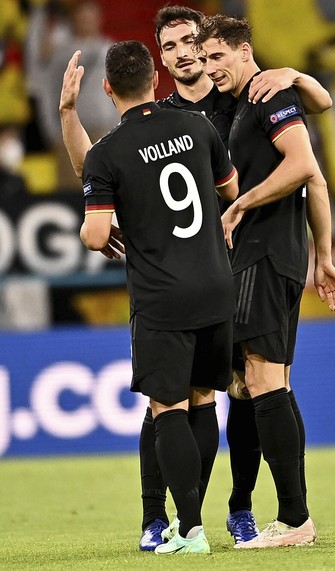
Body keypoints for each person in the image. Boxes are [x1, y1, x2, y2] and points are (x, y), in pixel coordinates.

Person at [59, 4, 334, 550]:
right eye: (173, 46)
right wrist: (71, 119)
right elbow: (99, 169)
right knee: (193, 394)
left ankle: (239, 509)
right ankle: (162, 517)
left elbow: (309, 149)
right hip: (205, 267)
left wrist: (294, 75)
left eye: (195, 44)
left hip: (240, 258)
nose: (188, 55)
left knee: (246, 386)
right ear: (158, 62)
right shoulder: (163, 116)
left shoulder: (241, 93)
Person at [79, 39, 240, 555]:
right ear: (156, 80)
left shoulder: (106, 154)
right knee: (204, 400)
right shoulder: (199, 128)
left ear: (107, 89)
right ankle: (191, 523)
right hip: (216, 284)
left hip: (161, 296)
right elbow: (230, 190)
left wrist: (106, 226)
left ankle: (189, 530)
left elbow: (94, 232)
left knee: (165, 407)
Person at [194, 14, 335, 549]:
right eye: (204, 58)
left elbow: (304, 165)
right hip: (270, 255)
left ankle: (294, 520)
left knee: (261, 380)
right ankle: (294, 515)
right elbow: (318, 171)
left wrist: (240, 203)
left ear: (242, 51)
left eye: (216, 57)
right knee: (265, 383)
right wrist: (323, 256)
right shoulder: (247, 103)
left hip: (264, 253)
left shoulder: (266, 96)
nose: (210, 68)